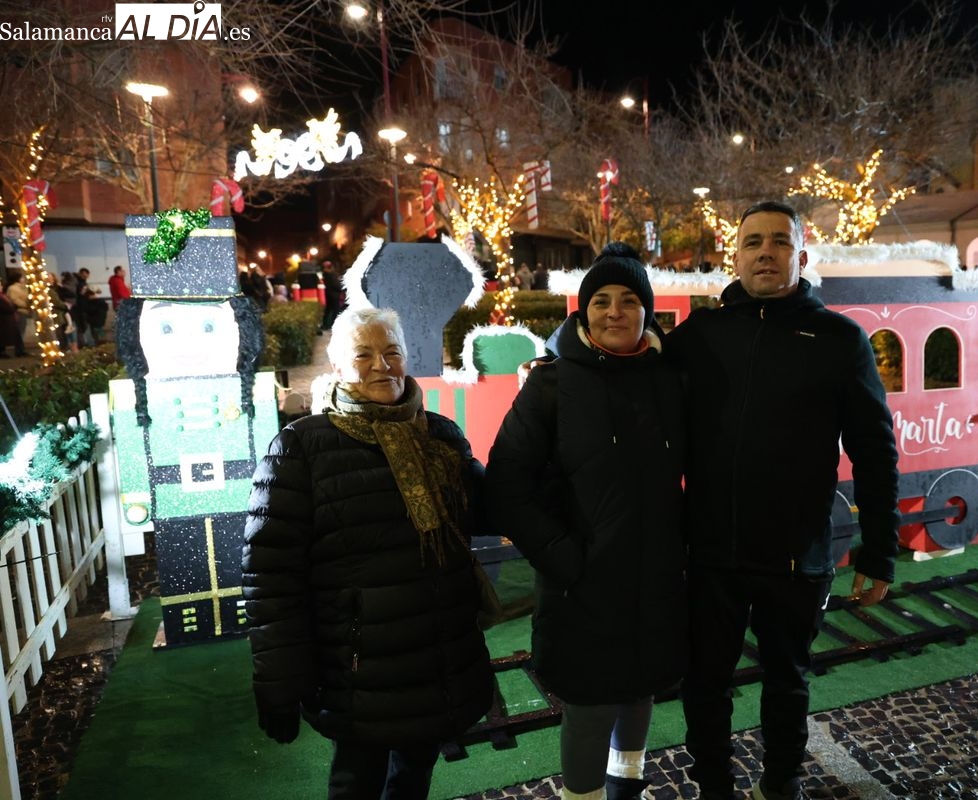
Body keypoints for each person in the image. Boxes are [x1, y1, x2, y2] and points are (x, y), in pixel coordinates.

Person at [671, 201, 900, 800]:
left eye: (778, 241)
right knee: (705, 682)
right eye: (753, 242)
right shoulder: (699, 336)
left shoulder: (839, 339)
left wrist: (880, 551)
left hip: (797, 554)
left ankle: (781, 785)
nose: (765, 252)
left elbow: (875, 451)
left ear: (801, 255)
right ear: (736, 255)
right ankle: (714, 787)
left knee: (787, 682)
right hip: (712, 552)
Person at [242, 306, 495, 800]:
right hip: (357, 670)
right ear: (337, 365)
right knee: (357, 781)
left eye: (392, 352)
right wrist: (279, 683)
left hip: (438, 658)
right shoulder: (301, 447)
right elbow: (271, 577)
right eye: (363, 355)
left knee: (414, 778)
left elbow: (493, 509)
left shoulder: (439, 435)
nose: (382, 365)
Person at [486, 243, 687, 800]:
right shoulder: (551, 385)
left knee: (641, 690)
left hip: (655, 579)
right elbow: (506, 486)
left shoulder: (669, 380)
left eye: (629, 300)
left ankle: (628, 784)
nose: (615, 311)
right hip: (583, 587)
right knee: (591, 706)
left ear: (647, 311)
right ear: (583, 311)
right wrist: (564, 559)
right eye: (601, 300)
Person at [5, 270, 30, 357]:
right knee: (19, 331)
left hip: (24, 311)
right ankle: (19, 350)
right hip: (19, 311)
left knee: (21, 331)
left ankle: (21, 349)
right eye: (22, 277)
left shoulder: (23, 288)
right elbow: (14, 300)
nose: (23, 279)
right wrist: (25, 305)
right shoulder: (13, 288)